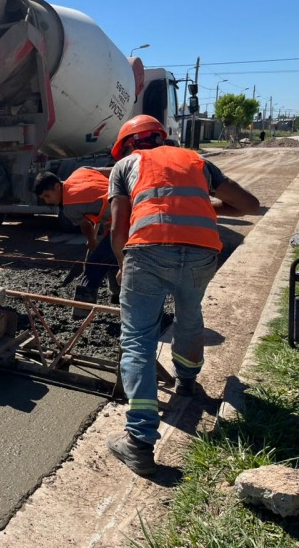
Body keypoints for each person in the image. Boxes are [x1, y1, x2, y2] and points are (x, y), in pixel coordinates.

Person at [105, 115, 260, 476]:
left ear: (128, 145)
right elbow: (249, 205)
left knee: (138, 341)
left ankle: (139, 441)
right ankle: (187, 383)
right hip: (203, 254)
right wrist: (206, 208)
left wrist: (121, 263)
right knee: (189, 320)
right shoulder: (197, 161)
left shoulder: (126, 165)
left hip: (147, 253)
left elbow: (118, 225)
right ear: (162, 138)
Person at [34, 168, 119, 310]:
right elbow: (106, 172)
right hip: (127, 207)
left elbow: (85, 225)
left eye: (47, 196)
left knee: (95, 264)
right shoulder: (79, 172)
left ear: (57, 186)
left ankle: (82, 307)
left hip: (121, 221)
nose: (47, 201)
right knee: (112, 257)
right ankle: (118, 295)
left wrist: (92, 241)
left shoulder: (69, 205)